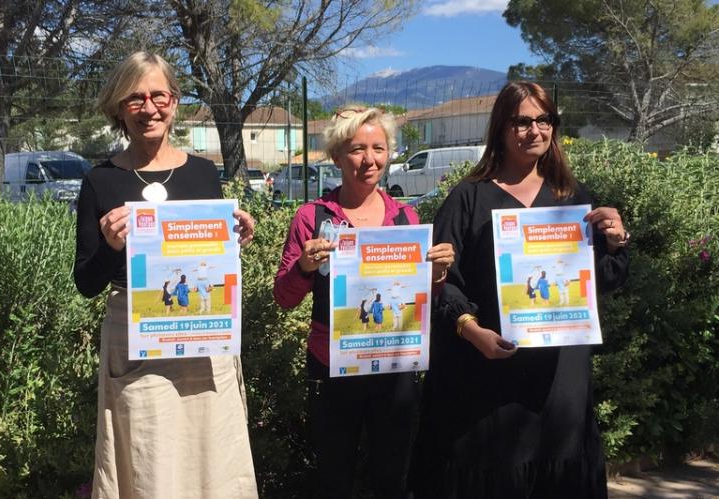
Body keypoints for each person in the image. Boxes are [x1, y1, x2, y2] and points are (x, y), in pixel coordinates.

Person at [410, 81, 629, 498]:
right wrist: (473, 332)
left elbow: (604, 281)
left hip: (559, 383)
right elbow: (440, 286)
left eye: (543, 120)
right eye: (522, 121)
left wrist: (616, 242)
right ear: (501, 129)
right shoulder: (468, 198)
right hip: (486, 376)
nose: (534, 131)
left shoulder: (571, 196)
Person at [73, 52, 258, 498]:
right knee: (147, 460)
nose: (149, 108)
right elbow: (86, 283)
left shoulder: (202, 173)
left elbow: (208, 257)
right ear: (119, 108)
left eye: (159, 95)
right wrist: (111, 247)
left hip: (203, 337)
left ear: (175, 102)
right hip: (135, 340)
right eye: (135, 98)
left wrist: (236, 235)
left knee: (211, 455)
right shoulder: (100, 181)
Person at [273, 106, 454, 499]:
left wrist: (437, 275)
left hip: (395, 368)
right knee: (333, 480)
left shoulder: (407, 218)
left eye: (378, 148)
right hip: (332, 368)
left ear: (389, 153)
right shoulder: (313, 217)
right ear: (337, 155)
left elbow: (423, 300)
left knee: (391, 480)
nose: (368, 160)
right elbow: (284, 298)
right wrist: (304, 265)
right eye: (356, 149)